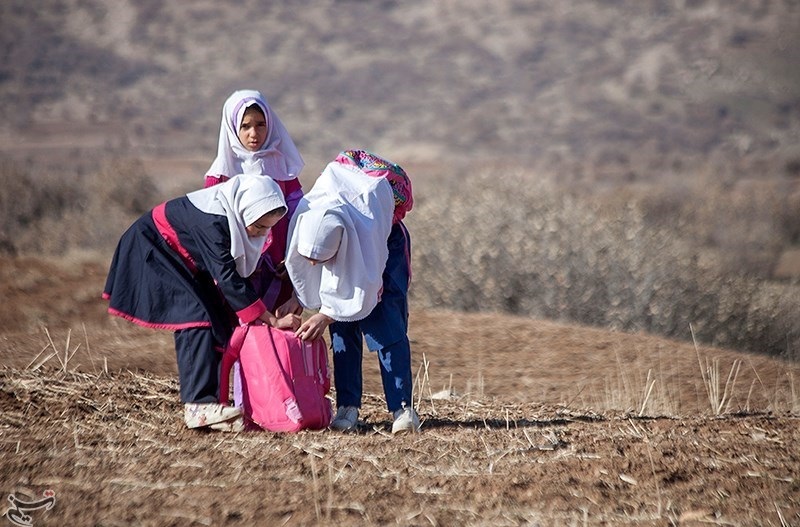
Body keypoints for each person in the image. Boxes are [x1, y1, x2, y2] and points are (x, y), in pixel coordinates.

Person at [103, 174, 302, 432]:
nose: (262, 235)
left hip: (182, 261)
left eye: (267, 229)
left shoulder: (233, 217)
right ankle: (197, 405)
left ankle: (214, 403)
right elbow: (227, 277)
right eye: (259, 227)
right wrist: (272, 319)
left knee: (219, 319)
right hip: (153, 249)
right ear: (244, 212)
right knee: (196, 316)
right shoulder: (215, 221)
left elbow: (229, 277)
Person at [284, 150, 419, 434]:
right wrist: (298, 295)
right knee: (343, 331)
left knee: (387, 329)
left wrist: (325, 315)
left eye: (321, 262)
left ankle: (402, 408)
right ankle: (348, 406)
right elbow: (308, 258)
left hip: (381, 247)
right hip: (348, 234)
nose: (313, 266)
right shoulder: (309, 216)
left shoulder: (368, 237)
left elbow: (366, 288)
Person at [205, 89, 305, 312]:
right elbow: (213, 229)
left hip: (279, 270)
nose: (254, 133)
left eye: (260, 124)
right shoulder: (220, 175)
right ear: (232, 127)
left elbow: (299, 218)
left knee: (277, 332)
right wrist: (238, 262)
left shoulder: (284, 170)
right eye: (245, 126)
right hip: (237, 272)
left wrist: (292, 259)